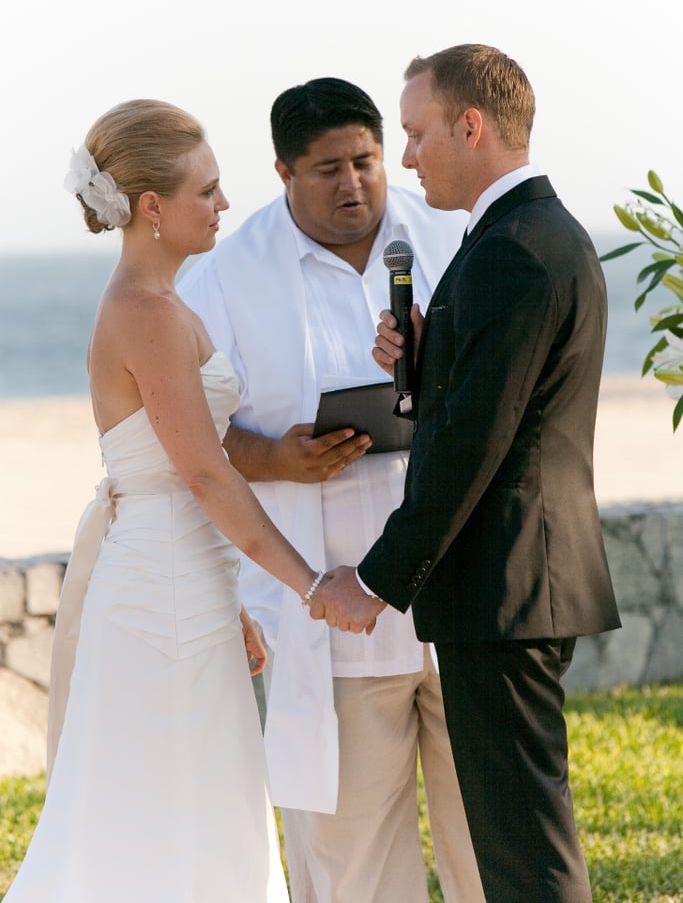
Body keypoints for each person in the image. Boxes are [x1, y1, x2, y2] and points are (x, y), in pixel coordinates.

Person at [311, 45, 622, 903]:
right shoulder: (527, 236)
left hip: (505, 582)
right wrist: (427, 350)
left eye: (414, 133)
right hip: (512, 581)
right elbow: (488, 407)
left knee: (522, 842)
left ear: (470, 125)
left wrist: (375, 579)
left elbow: (473, 448)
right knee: (517, 827)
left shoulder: (512, 250)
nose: (405, 156)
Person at [4, 99, 324, 902]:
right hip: (160, 602)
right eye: (207, 191)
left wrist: (232, 599)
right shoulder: (145, 315)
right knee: (163, 809)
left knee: (199, 801)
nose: (223, 206)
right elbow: (206, 475)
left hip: (186, 585)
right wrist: (311, 585)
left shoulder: (166, 305)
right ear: (152, 207)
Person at [178, 77, 485, 903]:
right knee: (350, 863)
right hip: (333, 613)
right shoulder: (227, 275)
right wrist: (276, 457)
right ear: (282, 172)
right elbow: (191, 437)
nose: (352, 183)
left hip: (458, 596)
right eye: (327, 169)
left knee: (487, 847)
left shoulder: (451, 238)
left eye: (366, 160)